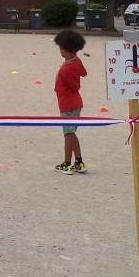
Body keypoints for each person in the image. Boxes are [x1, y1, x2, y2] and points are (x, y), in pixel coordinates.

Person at [52, 29, 88, 175]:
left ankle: (67, 163)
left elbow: (75, 86)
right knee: (71, 133)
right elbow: (83, 73)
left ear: (65, 49)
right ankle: (78, 161)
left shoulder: (65, 69)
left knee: (68, 134)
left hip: (68, 104)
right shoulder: (75, 61)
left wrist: (67, 69)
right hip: (73, 102)